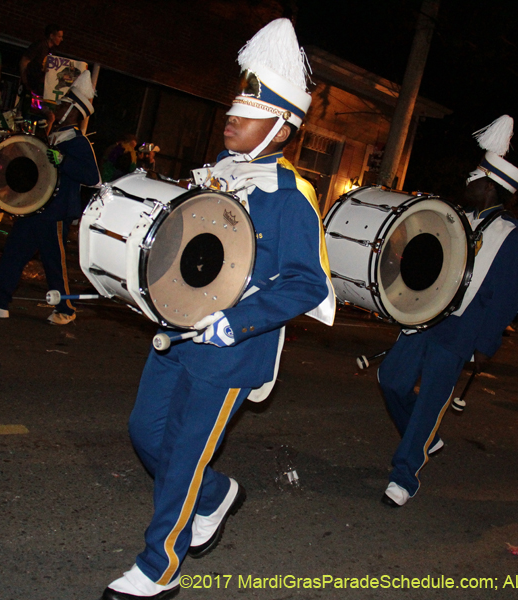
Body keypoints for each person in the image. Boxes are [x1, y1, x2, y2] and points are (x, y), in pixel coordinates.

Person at [100, 19, 335, 600]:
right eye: (233, 107)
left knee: (181, 454)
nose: (230, 116)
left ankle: (160, 568)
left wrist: (235, 322)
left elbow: (308, 284)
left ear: (281, 128)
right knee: (144, 432)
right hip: (178, 332)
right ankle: (215, 495)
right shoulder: (214, 174)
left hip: (232, 349)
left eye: (247, 110)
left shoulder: (290, 198)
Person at [377, 115, 518, 508]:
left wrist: (486, 343)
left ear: (491, 187)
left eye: (474, 176)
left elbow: (506, 297)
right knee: (391, 380)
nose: (467, 181)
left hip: (463, 329)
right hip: (424, 317)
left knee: (431, 400)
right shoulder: (453, 217)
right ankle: (425, 434)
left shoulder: (512, 235)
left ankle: (405, 475)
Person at [0, 70, 100, 324]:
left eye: (63, 104)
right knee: (13, 254)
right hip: (36, 207)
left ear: (73, 111)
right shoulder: (55, 136)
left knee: (54, 263)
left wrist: (63, 160)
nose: (59, 106)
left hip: (56, 212)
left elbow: (93, 177)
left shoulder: (78, 142)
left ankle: (66, 309)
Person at [19, 24, 63, 129]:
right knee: (27, 116)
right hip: (31, 88)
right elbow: (24, 61)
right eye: (59, 36)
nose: (61, 39)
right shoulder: (39, 45)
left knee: (50, 117)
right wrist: (25, 81)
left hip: (41, 90)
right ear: (51, 36)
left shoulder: (52, 51)